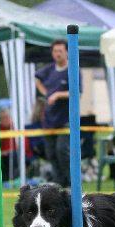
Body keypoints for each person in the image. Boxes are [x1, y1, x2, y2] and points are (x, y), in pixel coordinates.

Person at [35, 39, 75, 187]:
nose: (57, 54)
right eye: (55, 51)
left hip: (66, 119)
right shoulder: (49, 69)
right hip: (49, 119)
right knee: (51, 153)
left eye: (60, 51)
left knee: (62, 151)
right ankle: (59, 184)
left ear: (67, 52)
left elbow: (76, 92)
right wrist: (46, 93)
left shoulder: (72, 69)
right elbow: (37, 79)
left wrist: (57, 95)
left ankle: (71, 183)